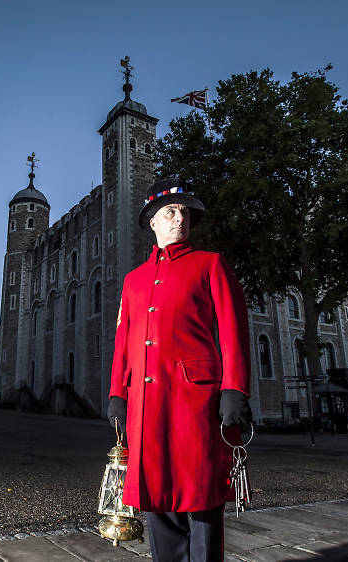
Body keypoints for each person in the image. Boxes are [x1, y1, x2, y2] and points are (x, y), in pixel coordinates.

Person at [107, 177, 251, 561]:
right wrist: (117, 394)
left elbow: (233, 330)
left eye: (185, 213)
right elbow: (124, 341)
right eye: (171, 211)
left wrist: (234, 389)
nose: (180, 218)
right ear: (152, 221)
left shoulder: (210, 264)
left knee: (202, 498)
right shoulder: (133, 281)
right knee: (157, 500)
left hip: (196, 401)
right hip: (146, 404)